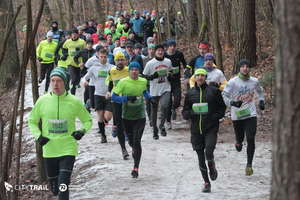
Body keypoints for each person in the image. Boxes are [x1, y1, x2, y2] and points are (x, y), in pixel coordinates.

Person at [28, 67, 92, 200]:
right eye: (52, 81)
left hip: (67, 148)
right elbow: (32, 121)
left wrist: (81, 131)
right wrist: (38, 136)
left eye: (59, 81)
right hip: (49, 149)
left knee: (63, 185)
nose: (55, 84)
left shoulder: (74, 101)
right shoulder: (42, 101)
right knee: (55, 189)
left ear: (65, 83)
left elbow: (88, 120)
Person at [182, 68, 226, 193]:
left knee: (209, 151)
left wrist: (215, 116)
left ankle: (211, 165)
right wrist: (191, 113)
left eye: (202, 75)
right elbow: (184, 112)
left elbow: (222, 108)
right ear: (194, 78)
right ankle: (206, 183)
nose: (200, 77)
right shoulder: (190, 93)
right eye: (198, 75)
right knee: (200, 157)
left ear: (205, 77)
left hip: (211, 128)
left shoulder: (214, 91)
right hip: (196, 130)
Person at [222, 59, 265, 176]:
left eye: (247, 66)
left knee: (251, 138)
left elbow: (260, 92)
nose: (245, 68)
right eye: (243, 66)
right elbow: (224, 94)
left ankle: (249, 164)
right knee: (240, 139)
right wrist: (232, 103)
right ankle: (238, 142)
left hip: (251, 114)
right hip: (237, 114)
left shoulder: (254, 81)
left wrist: (261, 101)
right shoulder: (233, 82)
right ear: (239, 68)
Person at [112, 61, 151, 178]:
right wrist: (126, 98)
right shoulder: (123, 82)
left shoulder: (143, 81)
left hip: (140, 116)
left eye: (136, 69)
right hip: (127, 117)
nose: (134, 71)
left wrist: (150, 98)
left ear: (139, 71)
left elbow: (144, 92)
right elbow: (114, 97)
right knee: (131, 142)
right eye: (132, 69)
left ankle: (136, 167)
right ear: (129, 71)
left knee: (137, 141)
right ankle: (133, 148)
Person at [83, 47, 113, 143]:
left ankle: (105, 122)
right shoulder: (93, 68)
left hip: (109, 95)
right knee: (100, 117)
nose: (103, 58)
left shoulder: (111, 68)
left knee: (107, 117)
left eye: (105, 57)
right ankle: (103, 135)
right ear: (98, 57)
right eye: (101, 57)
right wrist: (84, 82)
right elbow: (84, 78)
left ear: (107, 57)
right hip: (98, 94)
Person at [143, 44, 172, 139]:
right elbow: (143, 76)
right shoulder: (150, 63)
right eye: (158, 50)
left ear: (164, 51)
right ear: (155, 52)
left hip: (166, 88)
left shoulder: (168, 61)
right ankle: (155, 130)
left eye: (161, 50)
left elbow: (171, 72)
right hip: (154, 90)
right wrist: (152, 76)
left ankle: (161, 125)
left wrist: (171, 75)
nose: (160, 52)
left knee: (165, 106)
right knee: (154, 111)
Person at [107, 51, 130, 160]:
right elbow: (110, 83)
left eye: (122, 59)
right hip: (116, 100)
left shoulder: (129, 70)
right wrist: (108, 92)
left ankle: (129, 139)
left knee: (128, 122)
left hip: (127, 100)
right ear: (115, 61)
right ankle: (123, 149)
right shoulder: (111, 71)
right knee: (119, 124)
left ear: (125, 60)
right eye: (118, 60)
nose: (120, 61)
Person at [164, 39, 186, 129]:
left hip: (176, 80)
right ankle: (168, 121)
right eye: (170, 46)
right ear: (167, 47)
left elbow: (184, 64)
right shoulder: (164, 55)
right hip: (167, 81)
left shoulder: (179, 54)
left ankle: (174, 108)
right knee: (168, 102)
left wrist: (186, 72)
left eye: (174, 46)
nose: (172, 48)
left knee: (177, 99)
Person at [62, 28, 86, 95]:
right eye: (73, 34)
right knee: (74, 78)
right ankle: (72, 93)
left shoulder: (82, 42)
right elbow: (64, 49)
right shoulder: (67, 42)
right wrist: (65, 55)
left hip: (79, 64)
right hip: (70, 63)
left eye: (75, 34)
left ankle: (74, 87)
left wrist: (83, 60)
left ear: (78, 35)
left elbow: (85, 51)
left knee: (77, 79)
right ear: (71, 35)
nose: (74, 36)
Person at [74, 39, 96, 106]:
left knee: (92, 88)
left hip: (93, 72)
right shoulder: (83, 51)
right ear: (86, 45)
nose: (89, 45)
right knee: (87, 88)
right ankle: (86, 103)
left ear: (92, 45)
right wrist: (79, 63)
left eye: (91, 44)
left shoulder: (95, 52)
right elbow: (75, 58)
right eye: (88, 44)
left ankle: (92, 103)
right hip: (85, 72)